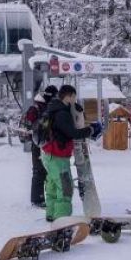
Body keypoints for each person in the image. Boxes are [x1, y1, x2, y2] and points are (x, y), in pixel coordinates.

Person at [40, 85, 102, 222]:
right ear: (68, 96)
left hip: (48, 154)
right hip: (58, 156)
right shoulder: (62, 113)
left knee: (53, 185)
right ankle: (62, 222)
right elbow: (73, 133)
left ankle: (51, 214)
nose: (75, 99)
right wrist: (91, 130)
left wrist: (76, 112)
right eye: (74, 96)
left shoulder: (54, 108)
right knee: (65, 187)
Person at [22, 85, 57, 208]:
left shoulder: (44, 106)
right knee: (39, 170)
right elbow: (30, 124)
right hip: (38, 143)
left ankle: (45, 196)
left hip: (47, 143)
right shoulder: (37, 107)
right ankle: (37, 199)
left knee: (47, 170)